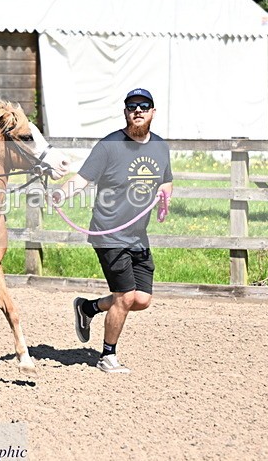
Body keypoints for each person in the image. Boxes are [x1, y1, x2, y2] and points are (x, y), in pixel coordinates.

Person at [52, 88, 173, 373]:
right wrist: (62, 194)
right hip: (109, 232)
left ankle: (88, 308)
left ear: (153, 111)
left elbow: (166, 181)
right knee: (125, 297)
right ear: (125, 112)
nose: (138, 111)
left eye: (144, 106)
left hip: (137, 235)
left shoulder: (160, 147)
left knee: (142, 300)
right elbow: (82, 180)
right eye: (132, 106)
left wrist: (165, 199)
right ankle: (108, 356)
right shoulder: (109, 146)